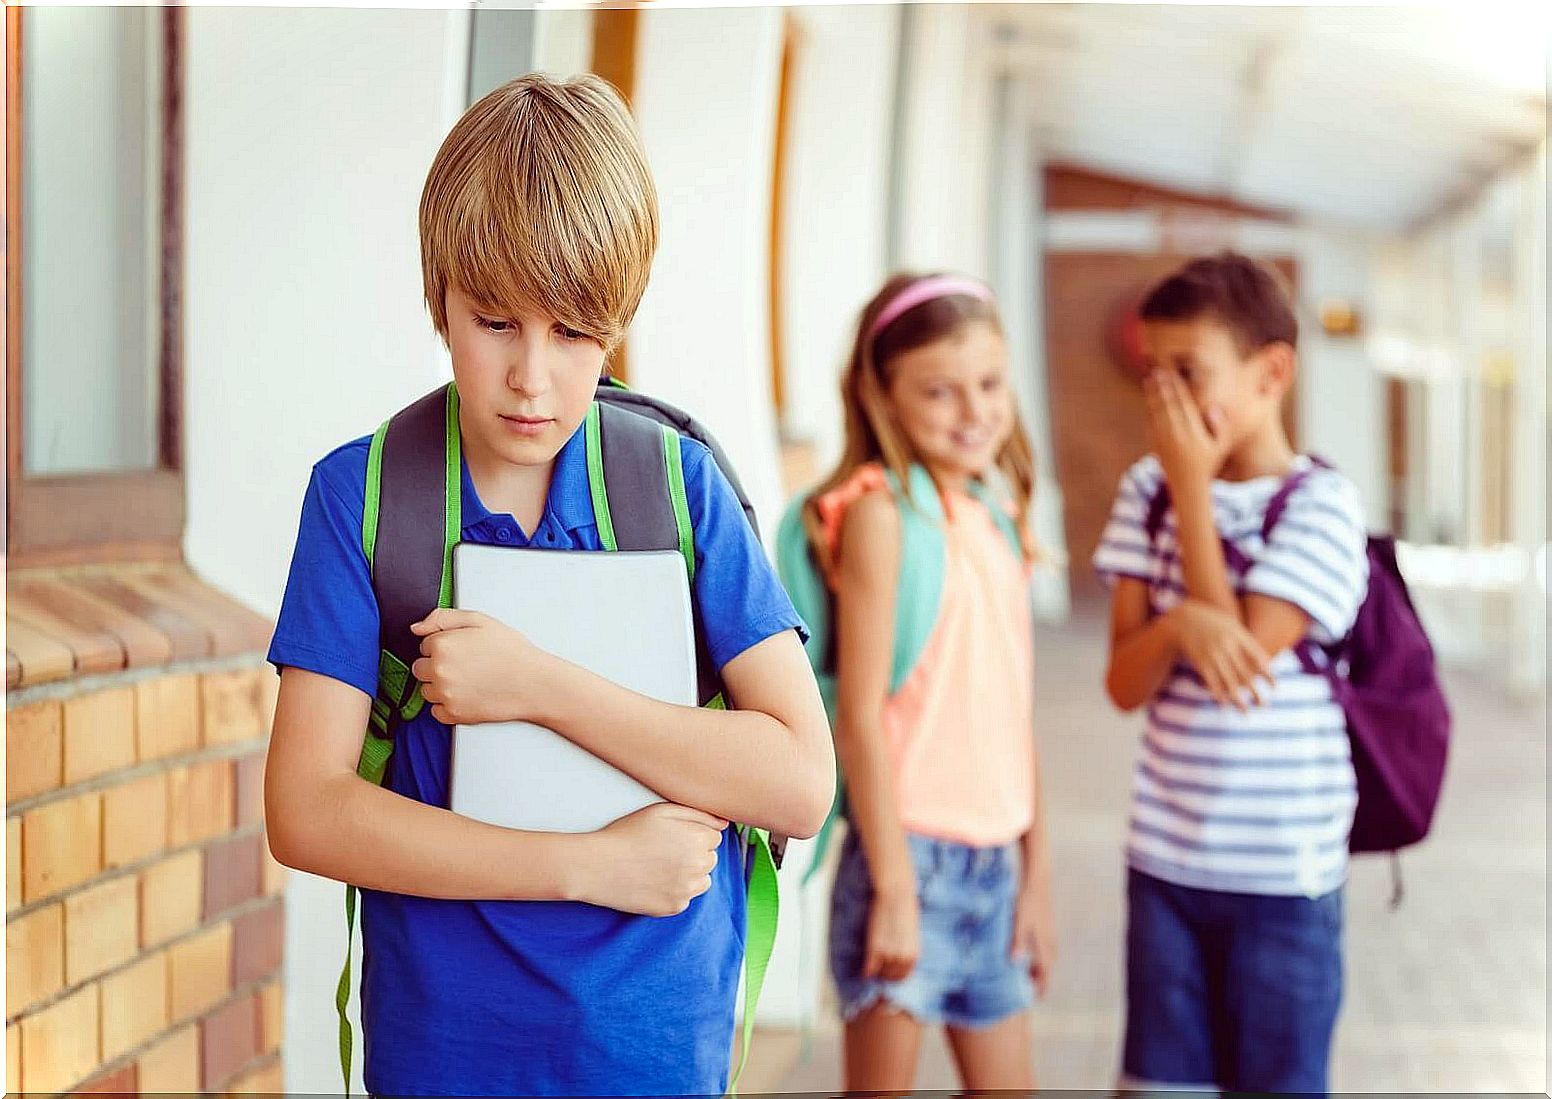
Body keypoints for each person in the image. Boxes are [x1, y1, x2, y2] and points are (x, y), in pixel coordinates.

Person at [262, 73, 833, 1096]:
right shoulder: (364, 498)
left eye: (575, 332)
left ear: (619, 319)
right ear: (437, 295)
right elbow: (304, 810)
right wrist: (586, 866)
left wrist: (538, 684)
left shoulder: (676, 486)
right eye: (495, 323)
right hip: (445, 1046)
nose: (533, 376)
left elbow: (798, 780)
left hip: (654, 1041)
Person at [1094, 252, 1370, 1094]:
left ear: (1271, 372)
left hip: (1286, 880)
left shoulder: (1323, 505)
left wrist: (1192, 483)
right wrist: (1178, 620)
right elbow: (1123, 682)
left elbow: (1237, 670)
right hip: (1167, 866)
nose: (1166, 399)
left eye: (1190, 372)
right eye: (1154, 374)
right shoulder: (1146, 493)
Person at [790, 272, 1056, 1091]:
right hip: (905, 860)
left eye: (989, 384)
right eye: (939, 391)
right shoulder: (880, 516)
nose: (973, 411)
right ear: (883, 395)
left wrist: (1036, 877)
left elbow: (1016, 712)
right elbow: (859, 719)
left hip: (994, 869)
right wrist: (897, 887)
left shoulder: (998, 512)